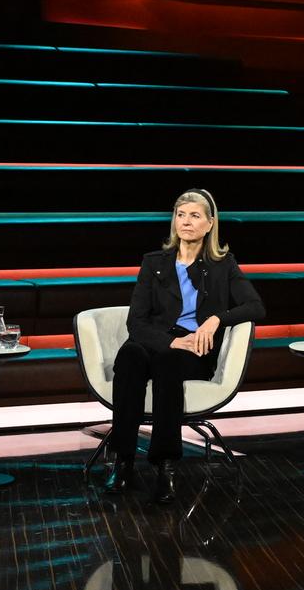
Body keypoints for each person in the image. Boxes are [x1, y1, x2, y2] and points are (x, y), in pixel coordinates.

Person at [105, 189, 264, 501]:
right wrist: (171, 341)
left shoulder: (223, 265)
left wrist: (217, 318)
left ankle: (166, 466)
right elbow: (136, 322)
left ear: (209, 224)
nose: (186, 222)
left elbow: (256, 307)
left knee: (168, 363)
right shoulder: (154, 263)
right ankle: (122, 462)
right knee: (129, 357)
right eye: (180, 215)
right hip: (154, 340)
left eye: (194, 216)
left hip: (193, 350)